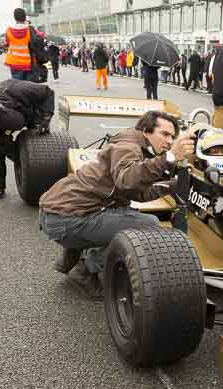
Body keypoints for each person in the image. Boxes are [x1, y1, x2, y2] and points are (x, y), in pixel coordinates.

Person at [38, 111, 195, 297]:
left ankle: (71, 258)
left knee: (123, 212)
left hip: (60, 213)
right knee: (149, 226)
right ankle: (83, 273)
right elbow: (127, 180)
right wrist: (169, 158)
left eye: (173, 137)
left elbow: (138, 193)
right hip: (65, 219)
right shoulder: (128, 147)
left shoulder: (133, 145)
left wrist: (172, 186)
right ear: (146, 131)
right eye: (165, 134)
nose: (170, 141)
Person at [0, 79, 54, 200]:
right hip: (0, 106)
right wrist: (21, 160)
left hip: (23, 107)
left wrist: (46, 117)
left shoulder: (24, 90)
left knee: (38, 132)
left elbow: (49, 92)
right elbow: (1, 142)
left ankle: (44, 173)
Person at [5, 8, 38, 81]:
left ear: (14, 17)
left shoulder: (8, 30)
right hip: (28, 62)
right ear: (25, 17)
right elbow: (35, 44)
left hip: (14, 62)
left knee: (17, 86)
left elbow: (8, 43)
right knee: (28, 87)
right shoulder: (29, 29)